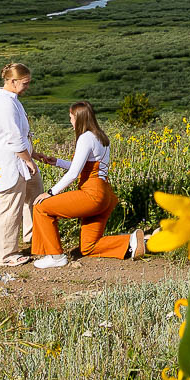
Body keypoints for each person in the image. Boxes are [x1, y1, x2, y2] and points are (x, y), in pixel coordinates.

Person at [29, 101, 148, 268]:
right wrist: (57, 162)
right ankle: (132, 240)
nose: (70, 122)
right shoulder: (101, 136)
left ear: (79, 118)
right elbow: (87, 168)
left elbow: (74, 173)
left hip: (91, 195)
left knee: (41, 207)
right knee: (88, 247)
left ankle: (55, 257)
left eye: (71, 118)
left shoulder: (85, 138)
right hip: (105, 195)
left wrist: (50, 192)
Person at [0, 62, 48, 267]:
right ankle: (4, 255)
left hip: (21, 159)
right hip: (10, 163)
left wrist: (32, 153)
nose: (27, 86)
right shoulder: (4, 104)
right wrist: (28, 159)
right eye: (25, 83)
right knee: (9, 206)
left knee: (35, 195)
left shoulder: (13, 100)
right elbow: (13, 138)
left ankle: (34, 238)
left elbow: (21, 134)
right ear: (12, 81)